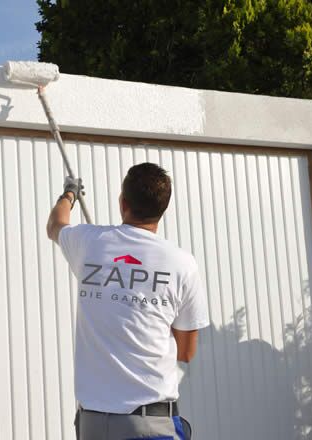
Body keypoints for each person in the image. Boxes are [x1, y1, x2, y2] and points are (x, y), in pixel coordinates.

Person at [46, 162, 210, 440]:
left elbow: (55, 225)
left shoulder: (89, 243)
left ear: (123, 203)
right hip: (150, 424)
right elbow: (186, 352)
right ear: (163, 209)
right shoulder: (182, 264)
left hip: (94, 425)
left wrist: (69, 194)